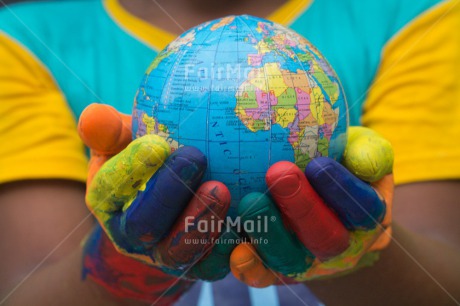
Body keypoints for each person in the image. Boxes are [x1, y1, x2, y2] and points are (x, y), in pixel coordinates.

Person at [0, 0, 459, 305]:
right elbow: (22, 288)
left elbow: (446, 277)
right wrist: (120, 261)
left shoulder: (421, 15)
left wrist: (362, 253)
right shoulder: (19, 40)